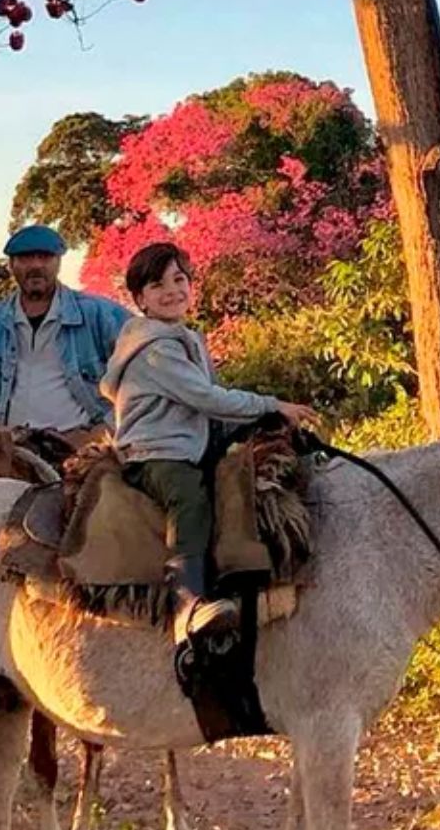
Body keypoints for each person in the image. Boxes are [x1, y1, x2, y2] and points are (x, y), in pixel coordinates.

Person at [101, 242, 319, 645]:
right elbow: (207, 398)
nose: (172, 291)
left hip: (187, 445)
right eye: (157, 285)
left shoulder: (185, 339)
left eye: (179, 279)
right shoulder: (156, 349)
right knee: (190, 498)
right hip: (156, 452)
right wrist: (271, 404)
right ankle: (187, 603)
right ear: (140, 300)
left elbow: (212, 404)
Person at [0, 224, 132, 442]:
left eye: (45, 257)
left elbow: (142, 382)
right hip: (12, 453)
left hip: (84, 451)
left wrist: (102, 431)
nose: (36, 266)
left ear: (58, 262)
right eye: (26, 258)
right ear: (11, 265)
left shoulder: (102, 315)